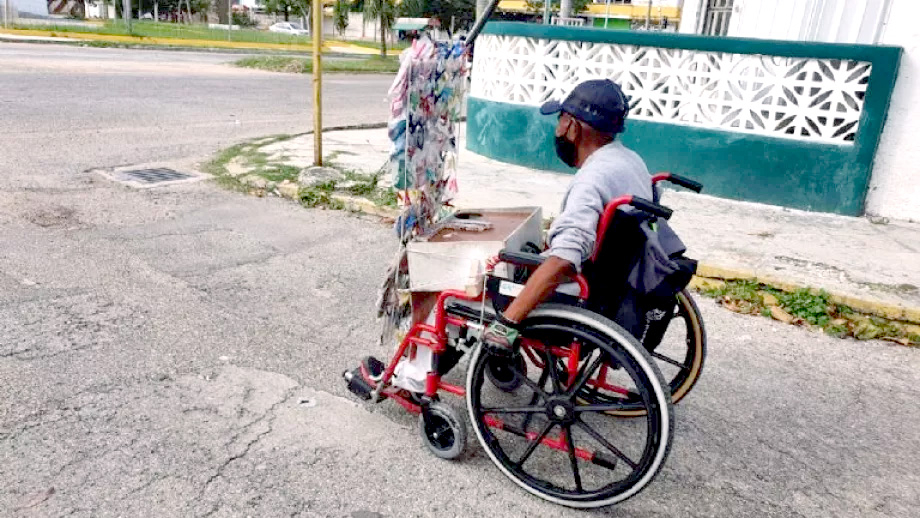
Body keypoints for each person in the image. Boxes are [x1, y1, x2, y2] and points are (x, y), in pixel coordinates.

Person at [482, 78, 654, 350]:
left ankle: (420, 375)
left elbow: (565, 258)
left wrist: (508, 321)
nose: (558, 129)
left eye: (560, 120)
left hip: (576, 292)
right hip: (614, 286)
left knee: (472, 286)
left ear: (572, 126)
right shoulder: (631, 161)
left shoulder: (592, 179)